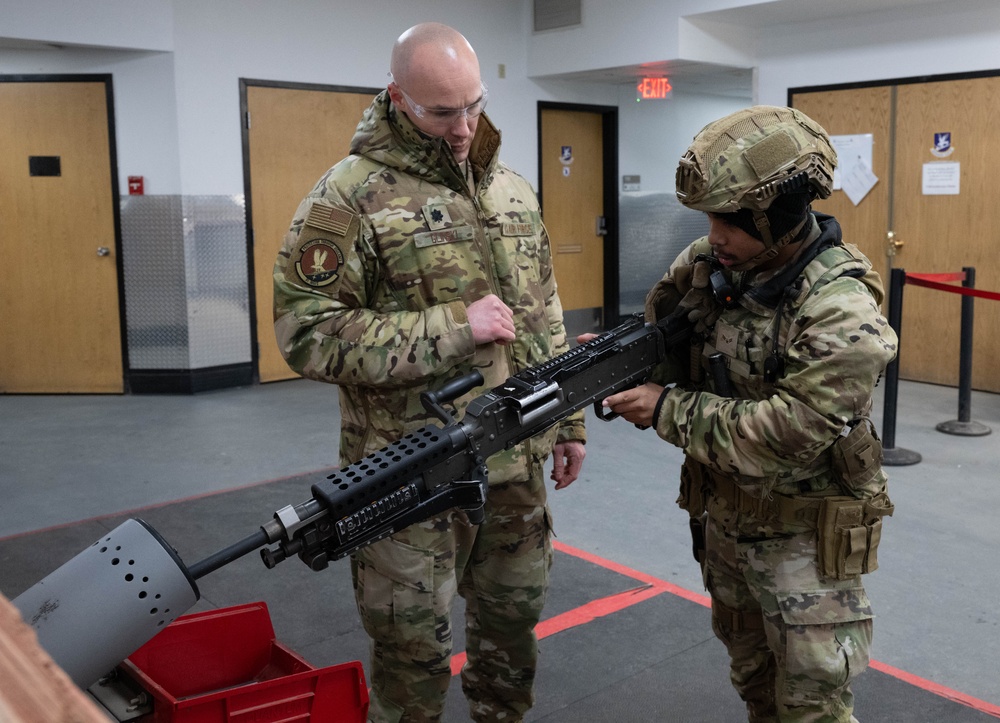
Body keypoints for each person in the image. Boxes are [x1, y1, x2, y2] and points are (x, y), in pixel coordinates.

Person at [272, 22, 587, 723]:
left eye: (474, 104)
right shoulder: (350, 196)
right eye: (443, 111)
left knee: (510, 635)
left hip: (517, 464)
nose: (464, 126)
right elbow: (305, 333)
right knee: (411, 654)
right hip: (409, 475)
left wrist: (567, 420)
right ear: (396, 97)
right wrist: (450, 328)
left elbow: (544, 310)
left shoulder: (509, 187)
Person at [601, 106, 897, 722]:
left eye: (730, 221)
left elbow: (788, 433)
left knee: (812, 704)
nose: (714, 235)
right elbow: (667, 339)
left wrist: (665, 408)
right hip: (726, 524)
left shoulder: (842, 311)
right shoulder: (715, 265)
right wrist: (616, 365)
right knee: (756, 686)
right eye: (710, 218)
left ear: (781, 215)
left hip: (805, 542)